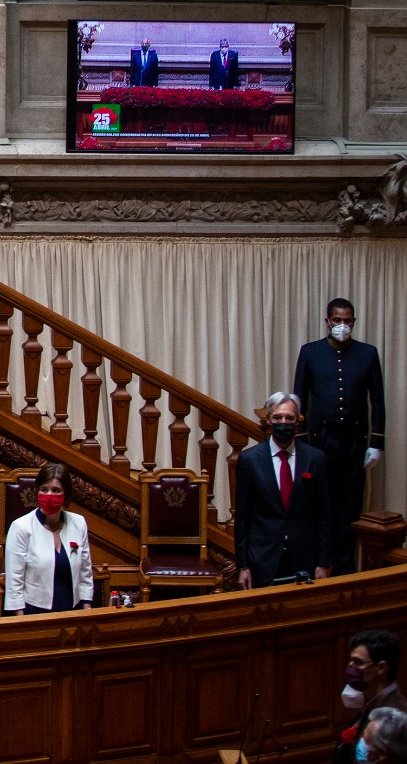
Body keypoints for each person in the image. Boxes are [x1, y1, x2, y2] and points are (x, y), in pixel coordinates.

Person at [296, 298, 385, 574]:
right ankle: (320, 564)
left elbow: (378, 401)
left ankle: (346, 568)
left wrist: (376, 443)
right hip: (320, 441)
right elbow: (299, 397)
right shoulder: (310, 352)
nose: (342, 326)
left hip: (353, 443)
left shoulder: (368, 354)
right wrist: (300, 441)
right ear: (327, 321)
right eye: (337, 320)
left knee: (349, 508)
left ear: (354, 322)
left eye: (347, 320)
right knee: (320, 505)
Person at [234, 391, 333, 589]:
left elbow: (325, 516)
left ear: (298, 422)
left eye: (289, 418)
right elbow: (243, 518)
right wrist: (243, 565)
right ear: (269, 421)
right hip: (263, 559)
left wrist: (323, 562)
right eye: (277, 417)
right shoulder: (249, 460)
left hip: (305, 559)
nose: (283, 422)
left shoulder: (316, 459)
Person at [2, 461, 94, 614]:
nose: (49, 495)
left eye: (56, 490)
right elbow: (14, 582)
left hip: (73, 610)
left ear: (66, 495)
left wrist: (87, 611)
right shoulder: (21, 527)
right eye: (44, 490)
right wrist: (20, 621)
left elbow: (85, 573)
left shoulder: (79, 523)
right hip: (35, 611)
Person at [338, 630, 407, 764]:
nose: (350, 667)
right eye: (351, 661)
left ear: (380, 668)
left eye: (358, 662)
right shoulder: (369, 703)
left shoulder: (397, 717)